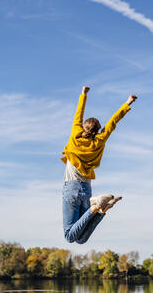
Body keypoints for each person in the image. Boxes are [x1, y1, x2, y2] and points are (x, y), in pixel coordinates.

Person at [61, 86, 137, 244]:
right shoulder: (99, 141)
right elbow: (112, 123)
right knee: (80, 239)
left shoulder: (75, 135)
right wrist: (127, 103)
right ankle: (101, 208)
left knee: (69, 236)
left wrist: (83, 95)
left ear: (83, 127)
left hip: (72, 189)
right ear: (96, 131)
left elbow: (78, 114)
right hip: (86, 190)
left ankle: (96, 206)